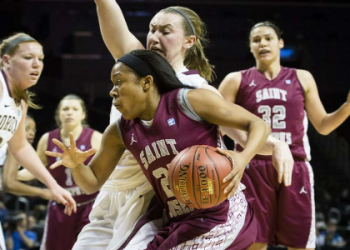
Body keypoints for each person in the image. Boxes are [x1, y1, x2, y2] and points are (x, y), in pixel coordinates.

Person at [73, 2, 294, 249]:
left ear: (189, 41)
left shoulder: (195, 92)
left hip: (151, 196)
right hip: (111, 186)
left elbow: (246, 131)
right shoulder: (132, 64)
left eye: (165, 31)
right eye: (151, 29)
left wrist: (277, 144)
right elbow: (108, 9)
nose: (154, 37)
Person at [47, 49, 272, 249]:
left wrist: (242, 158)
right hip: (179, 219)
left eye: (118, 82)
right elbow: (91, 182)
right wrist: (76, 165)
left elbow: (258, 125)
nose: (112, 91)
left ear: (146, 82)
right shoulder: (120, 131)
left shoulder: (190, 101)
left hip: (220, 211)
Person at [218, 21, 350, 250]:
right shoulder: (236, 80)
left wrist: (347, 107)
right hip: (252, 167)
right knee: (253, 243)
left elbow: (324, 126)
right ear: (250, 47)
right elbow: (217, 122)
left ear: (280, 43)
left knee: (299, 245)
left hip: (294, 166)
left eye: (268, 38)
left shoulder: (302, 78)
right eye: (256, 40)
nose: (262, 43)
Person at [0, 32, 76, 249]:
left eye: (40, 59)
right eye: (27, 58)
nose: (36, 65)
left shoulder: (19, 102)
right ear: (6, 61)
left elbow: (21, 147)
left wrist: (53, 185)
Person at [18, 95, 102, 250]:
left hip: (91, 205)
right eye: (65, 109)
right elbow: (33, 170)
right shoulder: (47, 139)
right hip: (61, 206)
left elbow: (108, 171)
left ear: (83, 114)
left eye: (74, 109)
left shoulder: (96, 138)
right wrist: (12, 175)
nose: (69, 112)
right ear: (58, 114)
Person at [3, 115, 52, 202]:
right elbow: (9, 184)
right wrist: (42, 192)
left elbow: (12, 178)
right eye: (27, 129)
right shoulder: (12, 146)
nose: (32, 133)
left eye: (34, 130)